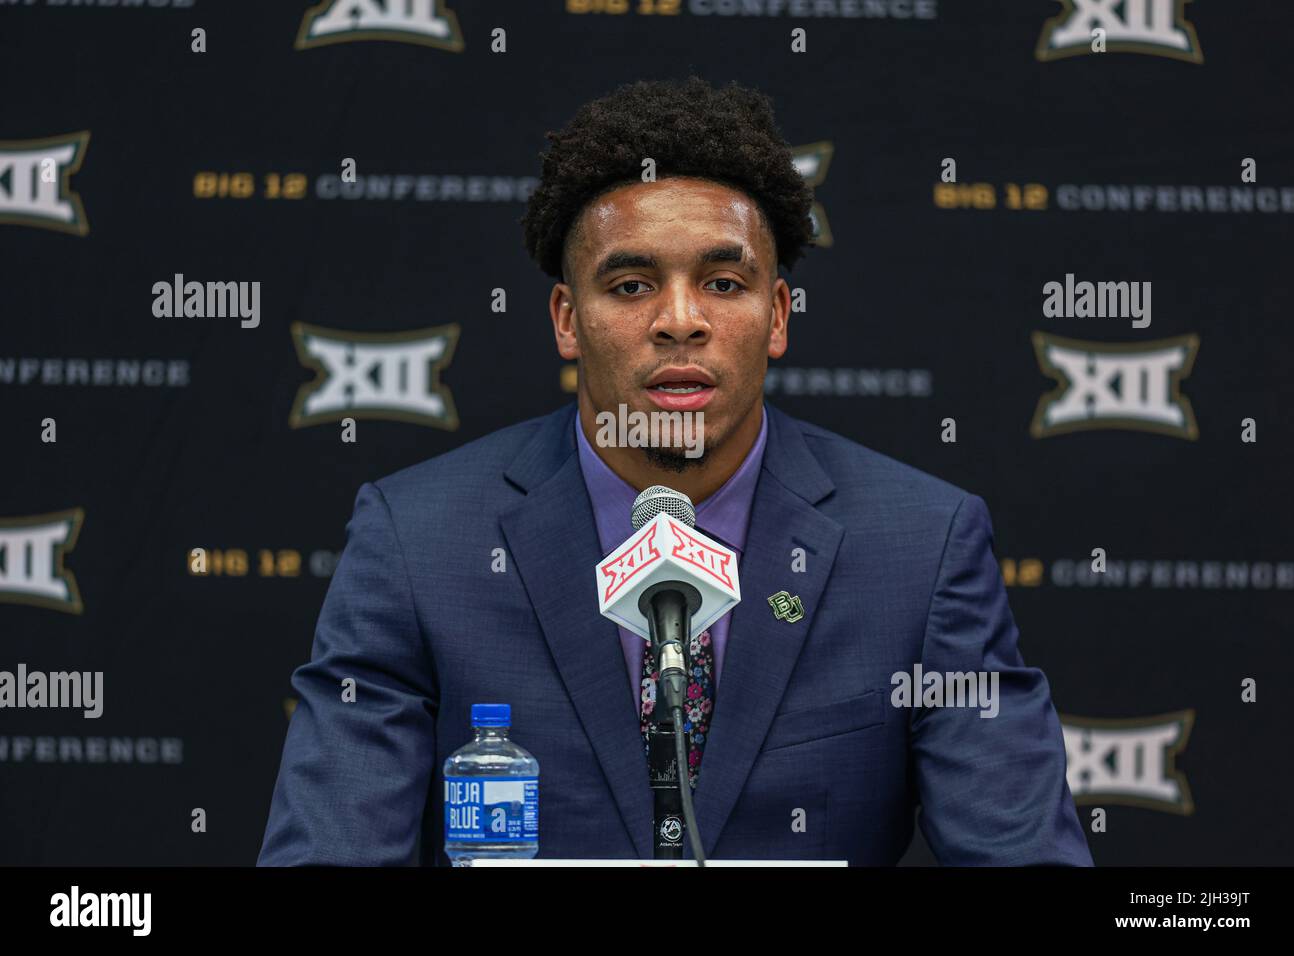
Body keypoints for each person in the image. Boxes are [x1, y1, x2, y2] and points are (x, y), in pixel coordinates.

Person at [257, 76, 1092, 866]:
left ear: (776, 317)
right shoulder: (418, 542)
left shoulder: (920, 547)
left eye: (724, 282)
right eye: (630, 285)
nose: (680, 321)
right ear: (566, 319)